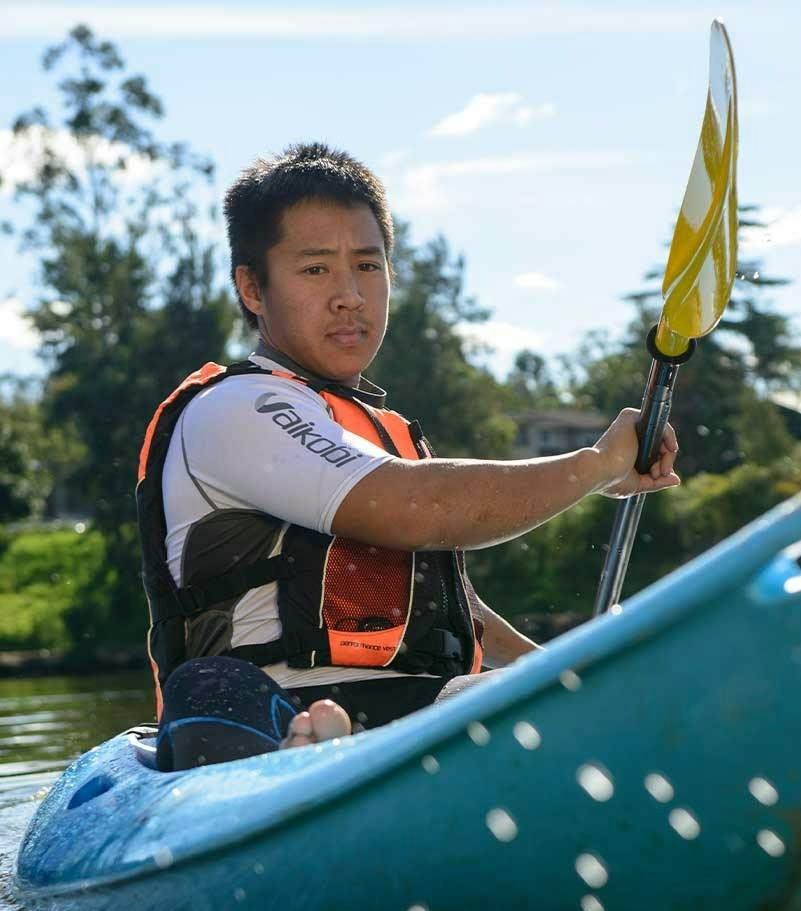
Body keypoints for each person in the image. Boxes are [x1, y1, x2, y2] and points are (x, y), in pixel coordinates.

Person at [142, 142, 679, 771]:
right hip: (269, 708)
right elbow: (418, 507)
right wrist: (595, 466)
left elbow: (465, 616)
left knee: (590, 703)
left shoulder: (374, 433)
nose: (350, 296)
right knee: (213, 690)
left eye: (368, 266)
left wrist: (561, 673)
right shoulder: (234, 410)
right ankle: (309, 751)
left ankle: (342, 749)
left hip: (413, 712)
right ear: (252, 288)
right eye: (316, 270)